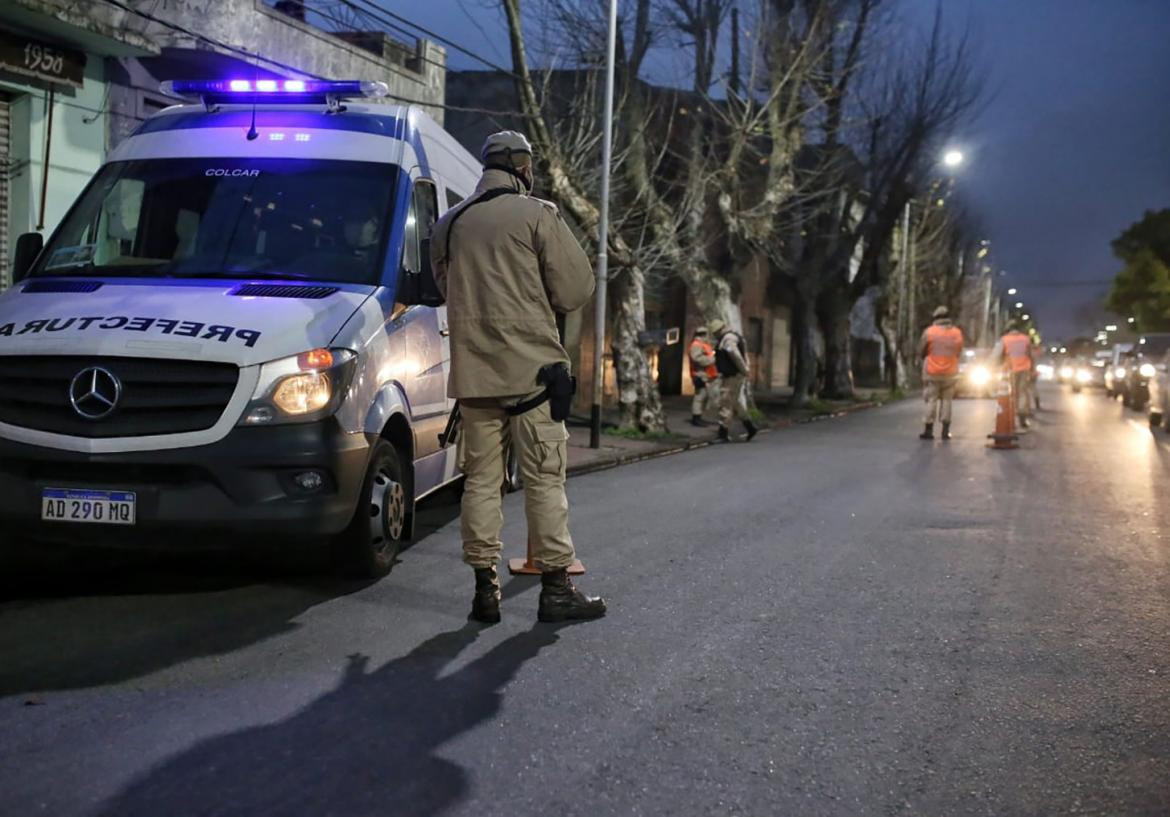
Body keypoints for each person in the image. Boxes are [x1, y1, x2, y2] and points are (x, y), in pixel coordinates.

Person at [430, 130, 606, 625]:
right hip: (534, 377)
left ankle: (484, 589)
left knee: (481, 484)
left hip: (475, 380)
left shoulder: (450, 224)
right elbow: (575, 290)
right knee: (545, 480)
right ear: (523, 168)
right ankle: (555, 589)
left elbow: (446, 288)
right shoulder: (538, 215)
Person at [917, 305, 965, 440]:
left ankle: (928, 430)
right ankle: (945, 431)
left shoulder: (929, 332)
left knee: (931, 400)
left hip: (932, 372)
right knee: (947, 401)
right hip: (950, 372)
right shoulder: (957, 332)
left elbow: (921, 350)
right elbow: (959, 350)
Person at [709, 319, 759, 442]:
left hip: (733, 375)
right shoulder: (732, 337)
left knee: (725, 402)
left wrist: (744, 370)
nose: (714, 335)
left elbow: (735, 355)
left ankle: (723, 434)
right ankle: (750, 427)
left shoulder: (728, 340)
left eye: (714, 333)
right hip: (733, 374)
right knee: (735, 403)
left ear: (718, 330)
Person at [995, 321, 1035, 428]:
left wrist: (993, 366)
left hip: (1010, 370)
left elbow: (996, 355)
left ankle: (1011, 417)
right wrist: (1032, 369)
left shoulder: (1005, 339)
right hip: (1024, 369)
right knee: (1022, 393)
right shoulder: (1025, 339)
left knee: (1011, 394)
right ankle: (1022, 416)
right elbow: (1031, 355)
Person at [687, 325, 720, 426]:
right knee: (699, 396)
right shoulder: (696, 345)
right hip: (700, 374)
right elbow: (697, 359)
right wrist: (712, 360)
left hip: (706, 374)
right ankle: (696, 418)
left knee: (702, 396)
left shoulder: (702, 344)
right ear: (703, 335)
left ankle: (698, 416)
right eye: (707, 335)